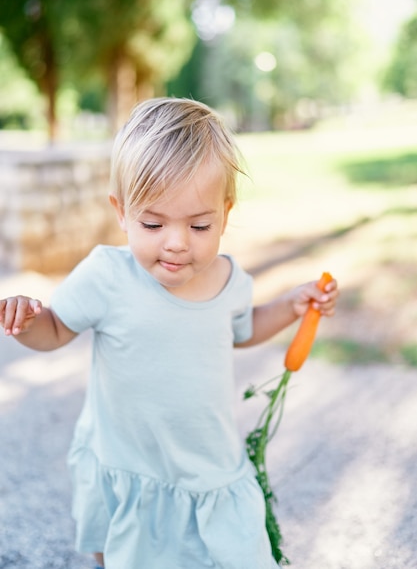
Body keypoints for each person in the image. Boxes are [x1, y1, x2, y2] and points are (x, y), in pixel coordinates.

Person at [0, 98, 338, 569]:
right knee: (121, 551)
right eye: (153, 223)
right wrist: (29, 322)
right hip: (130, 463)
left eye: (200, 225)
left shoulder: (229, 280)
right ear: (122, 212)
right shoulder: (106, 276)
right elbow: (55, 330)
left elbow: (241, 331)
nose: (177, 242)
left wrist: (290, 307)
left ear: (225, 211)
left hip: (208, 466)